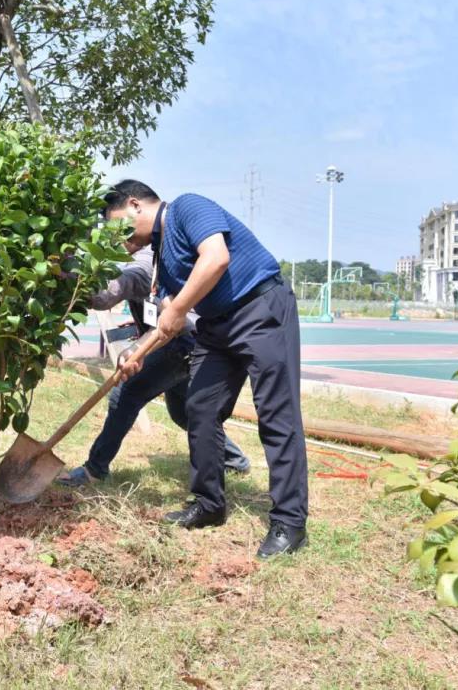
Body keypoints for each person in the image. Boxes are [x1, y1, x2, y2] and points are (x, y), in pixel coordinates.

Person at [107, 180, 308, 559]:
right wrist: (137, 351)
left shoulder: (187, 207)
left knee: (277, 416)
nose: (120, 239)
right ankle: (209, 504)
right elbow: (169, 320)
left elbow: (215, 258)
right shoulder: (161, 259)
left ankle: (290, 522)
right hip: (217, 328)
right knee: (198, 407)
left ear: (135, 205)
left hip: (260, 308)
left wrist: (178, 307)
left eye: (118, 226)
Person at [56, 245, 250, 487]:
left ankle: (94, 469)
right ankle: (235, 460)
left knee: (126, 394)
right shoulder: (154, 253)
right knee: (182, 413)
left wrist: (67, 269)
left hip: (180, 344)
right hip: (180, 342)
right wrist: (143, 321)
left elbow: (112, 291)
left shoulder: (147, 260)